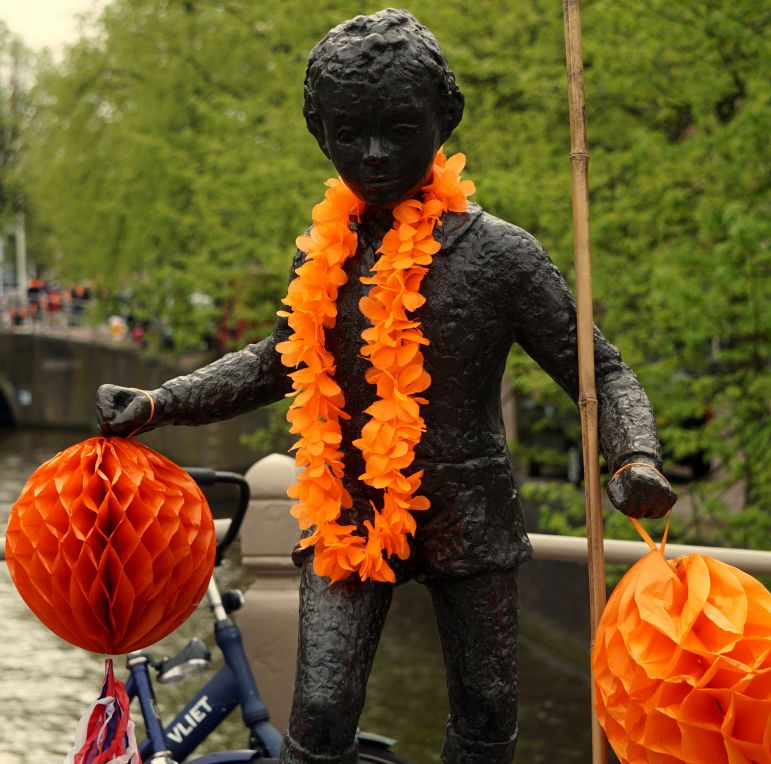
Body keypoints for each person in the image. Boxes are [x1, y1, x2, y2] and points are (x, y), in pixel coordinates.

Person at [97, 10, 676, 763]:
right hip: (348, 509)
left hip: (469, 514)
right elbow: (277, 360)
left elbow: (603, 372)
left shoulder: (502, 255)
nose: (372, 154)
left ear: (445, 118)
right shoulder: (324, 256)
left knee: (487, 713)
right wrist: (159, 403)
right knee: (320, 710)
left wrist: (634, 458)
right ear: (320, 132)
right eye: (349, 133)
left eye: (399, 130)